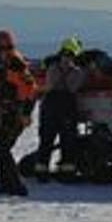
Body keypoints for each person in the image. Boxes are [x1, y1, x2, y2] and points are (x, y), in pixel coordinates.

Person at [0, 29, 36, 196]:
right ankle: (6, 184)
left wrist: (25, 113)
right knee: (1, 148)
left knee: (2, 149)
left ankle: (16, 185)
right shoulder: (8, 62)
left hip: (14, 114)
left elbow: (29, 88)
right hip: (6, 113)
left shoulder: (15, 63)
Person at [35, 37, 87, 182]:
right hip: (66, 108)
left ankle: (41, 171)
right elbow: (73, 88)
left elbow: (47, 85)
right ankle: (67, 173)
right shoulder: (77, 72)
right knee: (67, 142)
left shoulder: (51, 67)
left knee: (46, 141)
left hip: (49, 106)